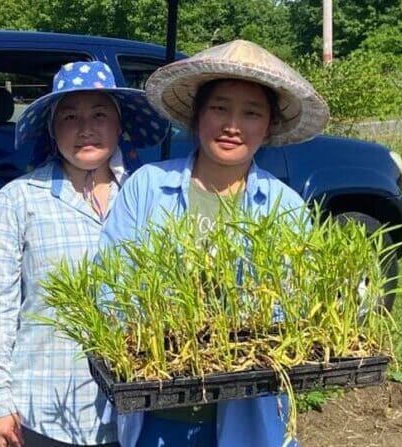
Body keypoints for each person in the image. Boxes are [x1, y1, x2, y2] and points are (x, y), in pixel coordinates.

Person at [99, 40, 330, 447]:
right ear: (197, 115)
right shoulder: (148, 187)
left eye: (251, 113)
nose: (232, 125)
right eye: (219, 108)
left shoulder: (285, 207)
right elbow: (109, 285)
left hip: (252, 419)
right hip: (159, 412)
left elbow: (298, 308)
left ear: (269, 126)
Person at [0, 60, 168, 447]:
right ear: (52, 128)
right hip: (43, 407)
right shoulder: (20, 199)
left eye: (99, 114)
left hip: (134, 406)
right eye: (70, 116)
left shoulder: (148, 197)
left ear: (119, 125)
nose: (86, 128)